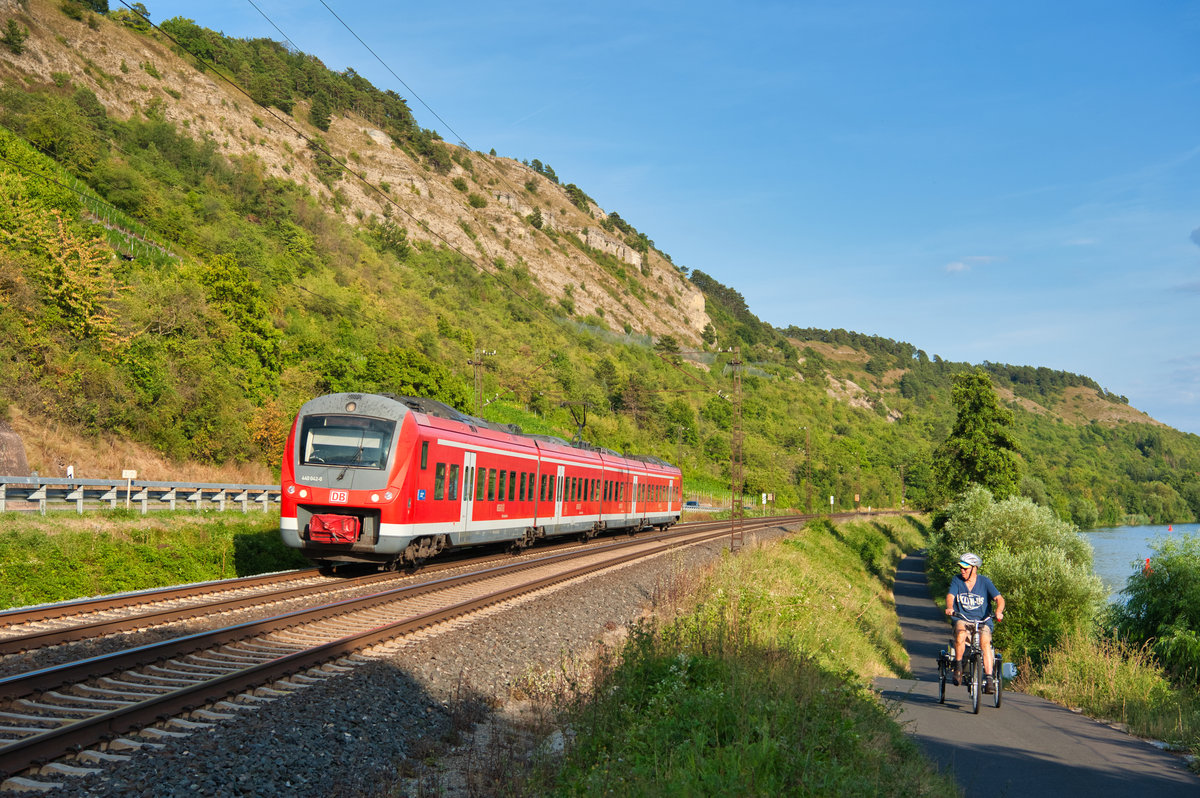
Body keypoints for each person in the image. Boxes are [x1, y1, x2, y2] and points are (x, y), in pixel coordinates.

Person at [944, 552, 1005, 693]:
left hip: (983, 621)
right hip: (963, 619)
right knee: (960, 633)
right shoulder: (957, 580)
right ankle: (958, 667)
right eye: (961, 567)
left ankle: (989, 679)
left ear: (974, 568)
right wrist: (950, 607)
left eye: (965, 568)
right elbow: (950, 596)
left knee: (985, 642)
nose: (962, 571)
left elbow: (999, 599)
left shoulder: (985, 582)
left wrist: (999, 611)